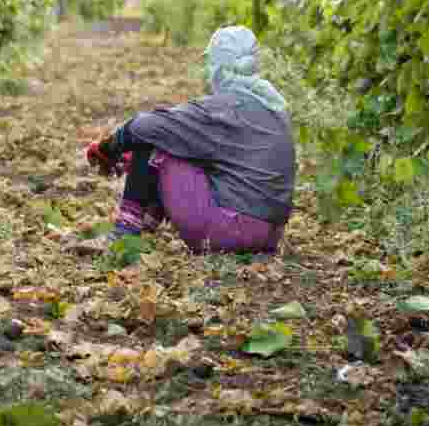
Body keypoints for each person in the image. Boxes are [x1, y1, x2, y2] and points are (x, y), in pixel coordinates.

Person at [76, 25, 295, 255]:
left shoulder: (222, 109)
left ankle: (123, 234)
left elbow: (143, 127)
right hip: (270, 235)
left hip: (230, 231)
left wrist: (108, 148)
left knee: (155, 139)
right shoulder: (274, 105)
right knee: (179, 140)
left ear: (219, 65)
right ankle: (148, 220)